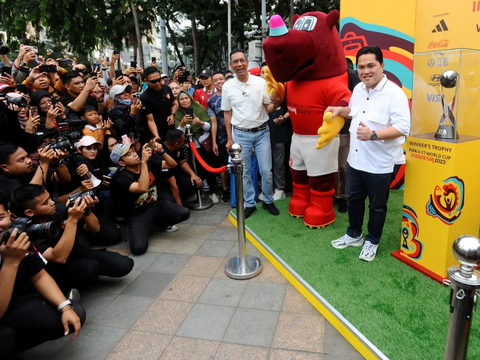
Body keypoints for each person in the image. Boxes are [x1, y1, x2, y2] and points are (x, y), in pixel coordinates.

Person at [328, 45, 410, 261]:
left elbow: (403, 128)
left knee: (377, 206)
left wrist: (373, 134)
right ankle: (354, 234)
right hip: (356, 160)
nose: (366, 71)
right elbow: (353, 112)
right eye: (361, 67)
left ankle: (372, 241)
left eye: (371, 65)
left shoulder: (395, 94)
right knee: (354, 199)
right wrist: (340, 111)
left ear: (382, 66)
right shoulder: (358, 89)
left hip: (380, 163)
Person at [0, 190, 85, 360]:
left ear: (10, 216)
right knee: (5, 337)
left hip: (11, 303)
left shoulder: (13, 236)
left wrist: (65, 307)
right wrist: (10, 263)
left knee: (75, 312)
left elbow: (39, 275)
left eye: (0, 218)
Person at [9, 184, 134, 289]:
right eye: (46, 203)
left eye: (50, 198)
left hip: (76, 252)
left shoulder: (57, 210)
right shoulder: (26, 232)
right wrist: (73, 220)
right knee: (89, 268)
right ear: (29, 212)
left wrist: (86, 211)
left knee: (124, 264)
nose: (53, 203)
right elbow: (58, 258)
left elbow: (95, 228)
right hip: (54, 267)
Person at [221, 50, 279, 218]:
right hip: (240, 135)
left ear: (247, 62)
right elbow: (227, 113)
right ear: (231, 65)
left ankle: (268, 201)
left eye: (241, 60)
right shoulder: (227, 86)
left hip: (262, 132)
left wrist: (276, 103)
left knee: (266, 170)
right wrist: (230, 138)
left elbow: (268, 107)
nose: (239, 64)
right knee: (244, 171)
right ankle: (250, 203)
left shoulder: (260, 82)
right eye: (235, 62)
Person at [109, 142, 190, 255]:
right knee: (138, 249)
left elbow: (172, 165)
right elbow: (143, 188)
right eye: (128, 154)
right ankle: (146, 225)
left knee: (184, 212)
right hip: (138, 213)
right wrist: (143, 162)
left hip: (155, 204)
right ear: (121, 163)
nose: (134, 154)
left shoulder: (146, 163)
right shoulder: (120, 178)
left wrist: (162, 152)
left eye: (133, 151)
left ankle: (159, 223)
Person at [175, 90, 218, 202]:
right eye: (182, 99)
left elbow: (210, 126)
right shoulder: (179, 114)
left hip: (204, 143)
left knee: (210, 167)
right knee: (197, 169)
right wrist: (182, 123)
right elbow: (177, 133)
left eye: (186, 98)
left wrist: (201, 123)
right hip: (190, 146)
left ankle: (213, 192)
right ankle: (200, 192)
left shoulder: (199, 108)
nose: (184, 101)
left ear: (190, 98)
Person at [260, 63, 289, 202]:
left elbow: (291, 107)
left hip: (278, 131)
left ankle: (280, 189)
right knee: (265, 164)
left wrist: (283, 118)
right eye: (262, 72)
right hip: (261, 133)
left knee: (278, 162)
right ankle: (268, 189)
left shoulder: (281, 88)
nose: (265, 75)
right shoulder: (258, 90)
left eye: (268, 72)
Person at [335, 60, 361, 213]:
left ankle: (343, 196)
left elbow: (355, 104)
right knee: (331, 166)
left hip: (344, 129)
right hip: (329, 129)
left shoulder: (350, 75)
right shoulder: (327, 76)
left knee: (342, 166)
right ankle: (335, 194)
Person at [207, 71, 229, 202]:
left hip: (237, 135)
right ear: (213, 83)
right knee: (223, 165)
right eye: (216, 80)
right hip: (221, 138)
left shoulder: (233, 95)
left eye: (221, 79)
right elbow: (213, 123)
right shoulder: (212, 100)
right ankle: (225, 189)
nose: (219, 81)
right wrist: (214, 142)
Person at [140, 67, 177, 143]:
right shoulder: (145, 97)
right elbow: (150, 120)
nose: (157, 83)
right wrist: (156, 136)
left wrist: (172, 115)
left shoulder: (167, 88)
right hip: (157, 130)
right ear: (146, 81)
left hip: (170, 128)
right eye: (153, 81)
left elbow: (173, 104)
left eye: (159, 80)